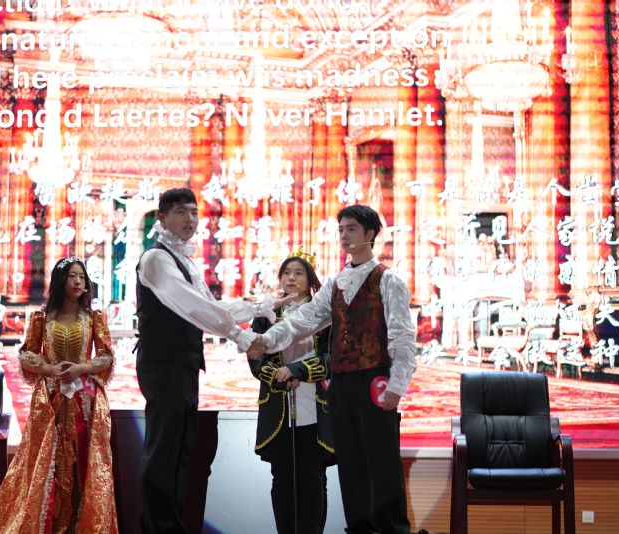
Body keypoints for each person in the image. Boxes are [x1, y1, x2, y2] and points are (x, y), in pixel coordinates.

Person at [246, 204, 417, 534]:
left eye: (351, 229)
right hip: (341, 384)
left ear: (370, 234)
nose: (344, 235)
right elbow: (304, 320)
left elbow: (402, 335)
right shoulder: (335, 283)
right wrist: (265, 341)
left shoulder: (388, 280)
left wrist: (398, 384)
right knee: (351, 466)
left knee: (382, 464)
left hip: (375, 380)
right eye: (341, 230)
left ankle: (393, 530)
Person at [135, 188, 294, 534]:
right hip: (163, 364)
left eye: (194, 212)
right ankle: (157, 527)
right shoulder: (156, 259)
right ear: (162, 218)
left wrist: (261, 306)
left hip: (182, 364)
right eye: (181, 212)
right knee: (164, 450)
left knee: (181, 450)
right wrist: (242, 336)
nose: (190, 219)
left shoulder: (185, 261)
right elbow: (196, 309)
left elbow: (212, 307)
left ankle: (172, 525)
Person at [0, 256, 118, 534]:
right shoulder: (42, 318)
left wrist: (82, 368)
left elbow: (107, 356)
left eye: (82, 277)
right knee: (47, 462)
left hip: (85, 400)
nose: (78, 282)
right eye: (72, 276)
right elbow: (26, 354)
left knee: (84, 462)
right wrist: (49, 369)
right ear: (61, 280)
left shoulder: (94, 318)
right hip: (49, 399)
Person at [248, 251, 334, 534]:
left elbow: (332, 357)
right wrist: (277, 376)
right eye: (287, 273)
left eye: (299, 273)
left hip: (314, 403)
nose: (292, 278)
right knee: (282, 478)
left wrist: (301, 370)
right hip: (279, 405)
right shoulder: (266, 315)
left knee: (313, 478)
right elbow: (255, 357)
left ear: (310, 279)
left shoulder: (325, 313)